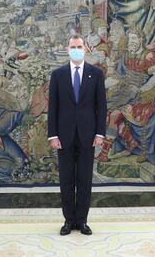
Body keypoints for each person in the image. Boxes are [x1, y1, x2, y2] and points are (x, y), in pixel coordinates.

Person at [48, 34, 107, 235]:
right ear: (67, 49)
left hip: (88, 135)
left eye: (79, 46)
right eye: (72, 46)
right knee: (66, 180)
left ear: (85, 49)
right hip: (63, 136)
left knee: (84, 180)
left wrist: (100, 133)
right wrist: (52, 135)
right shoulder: (58, 74)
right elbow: (53, 107)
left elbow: (102, 107)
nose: (76, 49)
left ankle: (81, 220)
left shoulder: (96, 74)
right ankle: (68, 220)